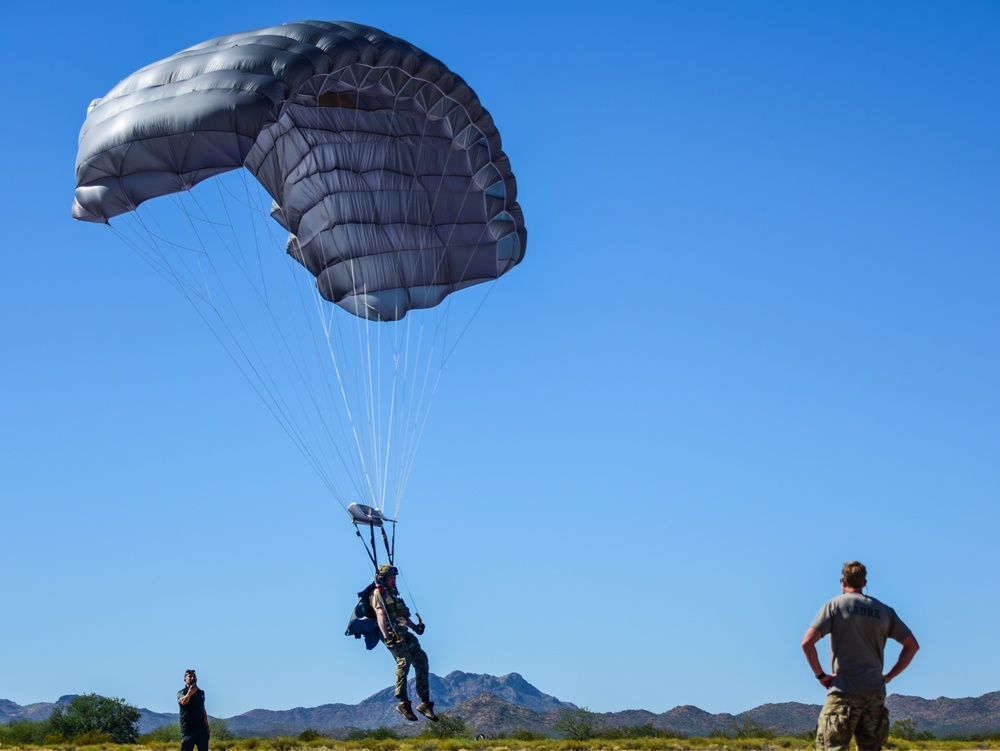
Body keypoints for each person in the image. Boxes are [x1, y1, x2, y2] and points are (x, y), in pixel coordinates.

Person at [801, 561, 920, 751]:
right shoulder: (884, 611)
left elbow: (807, 642)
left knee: (831, 747)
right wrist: (889, 676)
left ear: (842, 581)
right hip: (874, 693)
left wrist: (821, 676)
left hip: (843, 691)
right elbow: (912, 645)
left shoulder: (834, 606)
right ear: (864, 582)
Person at [371, 564, 438, 722]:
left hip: (403, 631)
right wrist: (386, 635)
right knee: (404, 660)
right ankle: (403, 703)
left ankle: (425, 703)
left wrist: (415, 627)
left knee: (421, 658)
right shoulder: (377, 594)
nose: (393, 581)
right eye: (390, 578)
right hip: (391, 633)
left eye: (394, 578)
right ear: (383, 579)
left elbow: (402, 616)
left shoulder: (394, 593)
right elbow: (380, 614)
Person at [177, 669, 210, 751]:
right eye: (189, 676)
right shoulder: (181, 692)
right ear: (185, 679)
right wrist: (189, 694)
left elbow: (203, 709)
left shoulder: (201, 693)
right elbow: (183, 702)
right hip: (188, 730)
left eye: (194, 676)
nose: (192, 678)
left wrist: (207, 727)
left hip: (201, 729)